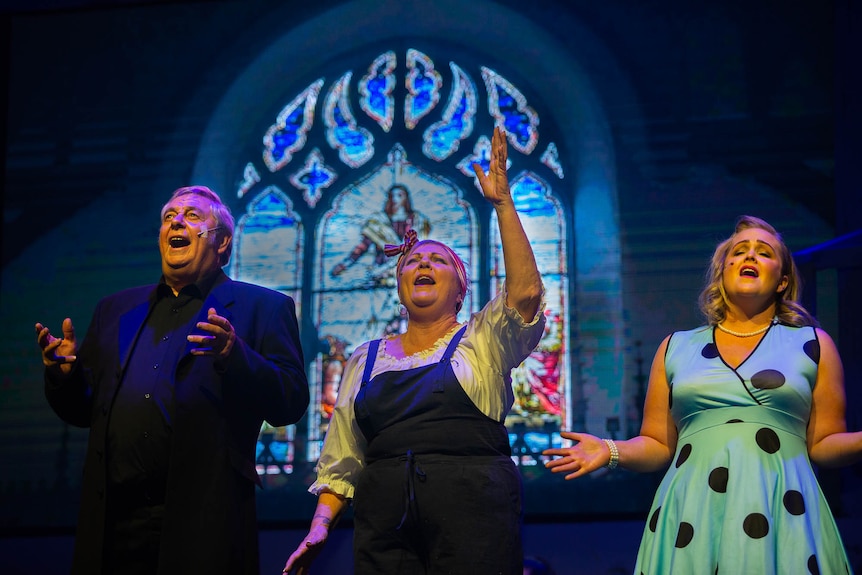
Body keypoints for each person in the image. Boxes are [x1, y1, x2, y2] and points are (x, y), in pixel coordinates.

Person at [284, 127, 546, 575]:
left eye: (438, 259)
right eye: (412, 261)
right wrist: (320, 526)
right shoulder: (363, 359)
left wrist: (503, 205)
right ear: (401, 287)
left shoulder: (483, 340)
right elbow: (344, 458)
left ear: (461, 290)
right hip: (385, 521)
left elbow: (524, 296)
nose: (423, 263)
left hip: (473, 511)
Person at [542, 215, 860, 574]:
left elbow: (824, 443)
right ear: (722, 271)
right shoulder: (677, 347)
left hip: (780, 502)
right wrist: (611, 450)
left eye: (764, 253)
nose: (750, 257)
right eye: (739, 252)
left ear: (783, 279)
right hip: (694, 507)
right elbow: (658, 444)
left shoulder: (813, 344)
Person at [35, 185, 310, 575]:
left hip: (202, 522)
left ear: (223, 243)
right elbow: (84, 411)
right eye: (169, 217)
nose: (177, 221)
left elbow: (292, 402)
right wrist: (63, 377)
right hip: (114, 521)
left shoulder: (263, 308)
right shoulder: (115, 310)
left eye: (193, 216)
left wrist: (236, 355)